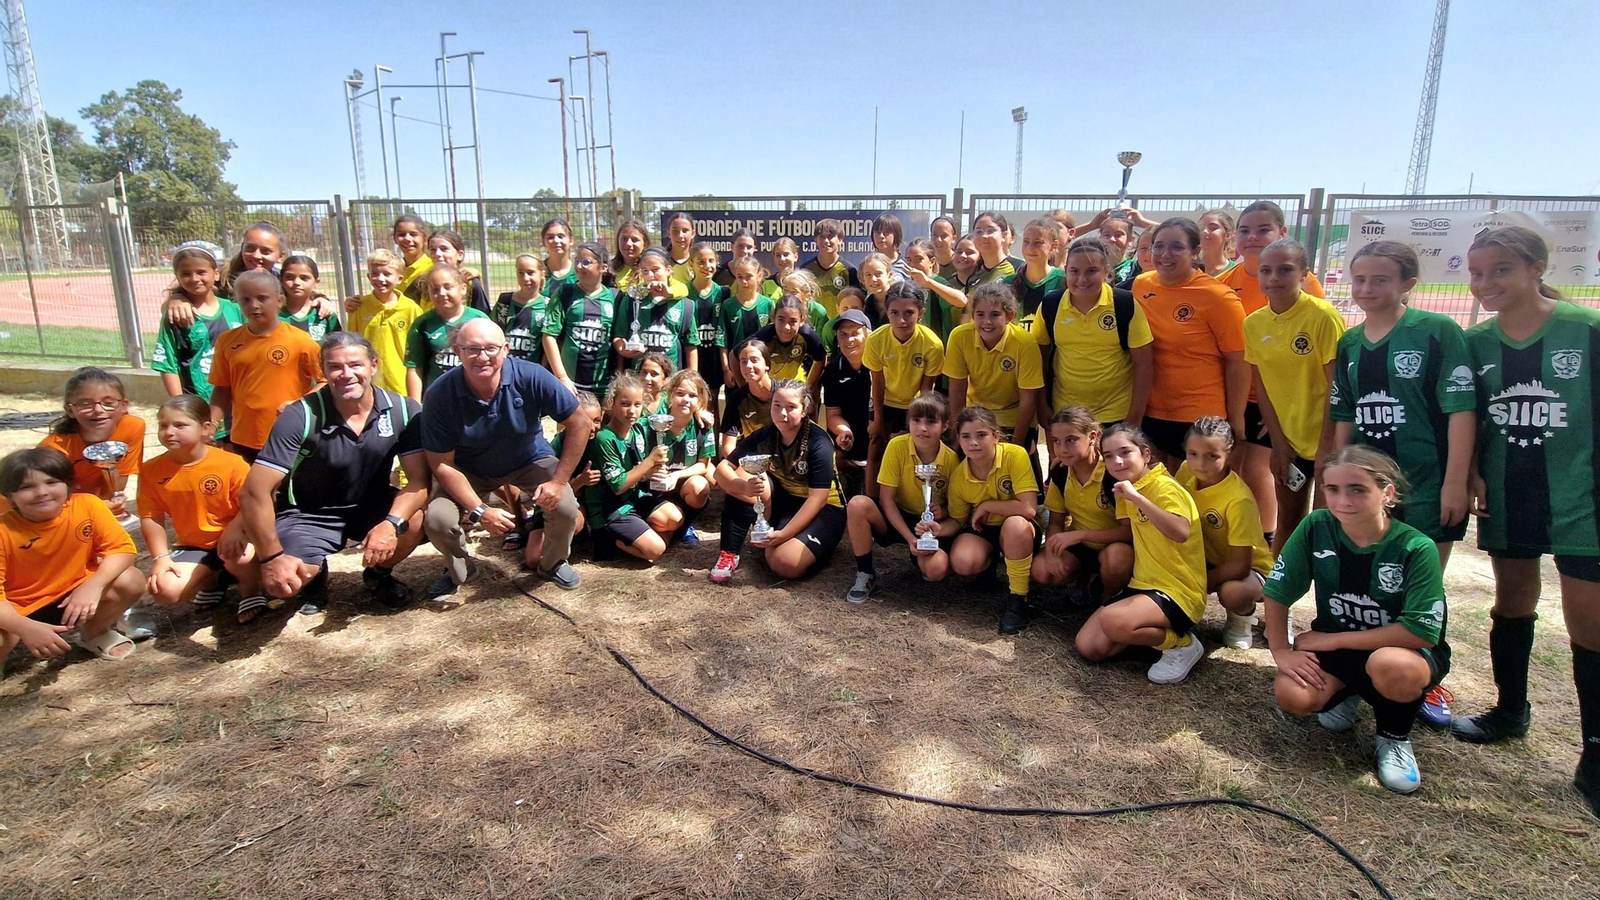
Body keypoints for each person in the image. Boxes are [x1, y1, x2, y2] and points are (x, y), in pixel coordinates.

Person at [1450, 227, 1600, 818]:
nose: (1486, 284)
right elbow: (1472, 418)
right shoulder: (1477, 341)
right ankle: (1511, 711)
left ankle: (1594, 755)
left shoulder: (1583, 329)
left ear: (1537, 267)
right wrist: (1475, 472)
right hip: (1511, 495)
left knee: (1588, 623)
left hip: (1581, 496)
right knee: (1513, 599)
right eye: (1478, 272)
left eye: (1501, 271)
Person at [1331, 240, 1475, 728]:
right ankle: (1358, 679)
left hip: (1429, 483)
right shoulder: (1350, 343)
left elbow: (1460, 411)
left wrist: (1457, 480)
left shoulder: (1437, 331)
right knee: (1368, 582)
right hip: (1367, 492)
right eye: (1360, 280)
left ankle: (1425, 682)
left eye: (1381, 279)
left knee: (1421, 591)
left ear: (1408, 283)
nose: (1367, 289)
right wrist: (1334, 481)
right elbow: (1345, 417)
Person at [1267, 446, 1449, 795]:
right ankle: (1350, 690)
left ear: (1387, 494)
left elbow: (1421, 631)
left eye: (1358, 489)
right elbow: (1277, 590)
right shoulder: (1317, 526)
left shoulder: (1417, 547)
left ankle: (1394, 738)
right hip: (1342, 646)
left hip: (1401, 652)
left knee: (1390, 666)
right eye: (1332, 489)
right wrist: (1280, 650)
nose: (1342, 500)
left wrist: (1331, 640)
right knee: (1293, 695)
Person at [238, 333, 427, 615]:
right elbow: (254, 491)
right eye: (335, 366)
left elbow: (418, 481)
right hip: (309, 512)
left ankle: (378, 575)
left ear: (373, 365)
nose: (346, 374)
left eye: (355, 365)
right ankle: (315, 576)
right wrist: (271, 557)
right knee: (285, 584)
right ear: (323, 371)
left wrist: (389, 523)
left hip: (371, 505)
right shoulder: (300, 415)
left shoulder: (403, 409)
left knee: (415, 520)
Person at [423, 318, 589, 593]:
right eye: (473, 349)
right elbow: (442, 465)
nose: (483, 357)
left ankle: (553, 563)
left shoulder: (532, 376)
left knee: (565, 506)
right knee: (438, 518)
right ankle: (460, 568)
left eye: (491, 348)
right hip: (468, 470)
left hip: (529, 460)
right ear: (457, 350)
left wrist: (559, 481)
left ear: (506, 349)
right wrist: (480, 511)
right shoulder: (440, 394)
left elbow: (580, 422)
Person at [1220, 201, 1331, 539]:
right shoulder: (1231, 290)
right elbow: (1247, 365)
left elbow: (1328, 376)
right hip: (1257, 406)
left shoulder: (1315, 303)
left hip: (1305, 416)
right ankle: (1259, 556)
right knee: (1243, 476)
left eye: (1263, 229)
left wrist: (1326, 442)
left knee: (1264, 474)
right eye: (1245, 230)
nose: (1253, 237)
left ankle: (1272, 546)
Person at [1074, 424, 1208, 684]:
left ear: (1146, 454)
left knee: (1113, 621)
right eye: (1109, 455)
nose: (1117, 461)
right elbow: (1126, 533)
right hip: (1143, 584)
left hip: (1178, 590)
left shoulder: (1164, 487)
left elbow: (1180, 532)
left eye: (1125, 452)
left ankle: (1181, 644)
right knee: (1089, 647)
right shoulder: (1127, 487)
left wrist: (1137, 498)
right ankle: (1144, 633)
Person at [1243, 238, 1346, 552]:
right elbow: (1262, 387)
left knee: (1328, 524)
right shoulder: (1253, 323)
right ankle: (1278, 592)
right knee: (1289, 521)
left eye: (1285, 270)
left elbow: (1337, 387)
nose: (1274, 278)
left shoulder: (1323, 317)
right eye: (1266, 270)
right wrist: (1279, 443)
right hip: (1289, 441)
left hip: (1330, 441)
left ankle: (1329, 595)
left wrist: (1328, 447)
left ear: (1304, 275)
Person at [0, 447, 142, 661]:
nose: (41, 492)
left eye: (51, 482)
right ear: (9, 496)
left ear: (68, 485)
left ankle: (94, 634)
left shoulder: (88, 505)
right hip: (17, 608)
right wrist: (25, 628)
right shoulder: (3, 531)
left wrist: (93, 587)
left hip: (74, 593)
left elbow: (122, 550)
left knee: (131, 580)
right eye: (27, 487)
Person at [1133, 218, 1248, 467]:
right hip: (1150, 410)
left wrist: (1236, 417)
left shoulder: (1217, 296)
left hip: (1197, 417)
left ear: (1196, 251)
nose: (1165, 254)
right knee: (1157, 493)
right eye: (1158, 246)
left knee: (1194, 497)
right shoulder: (1141, 285)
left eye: (1177, 247)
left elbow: (1239, 361)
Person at [139, 397, 263, 623]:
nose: (169, 432)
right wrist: (160, 557)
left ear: (205, 428)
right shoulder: (150, 470)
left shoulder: (232, 464)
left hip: (237, 538)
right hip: (194, 544)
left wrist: (235, 529)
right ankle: (213, 580)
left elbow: (255, 503)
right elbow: (151, 517)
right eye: (163, 425)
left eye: (180, 425)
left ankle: (251, 590)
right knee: (165, 590)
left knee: (240, 558)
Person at [711, 379, 845, 584]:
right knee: (742, 476)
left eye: (791, 407)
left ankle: (812, 548)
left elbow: (817, 499)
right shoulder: (767, 433)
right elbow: (721, 471)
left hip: (825, 508)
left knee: (784, 564)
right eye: (777, 405)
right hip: (786, 502)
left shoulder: (819, 442)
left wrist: (783, 535)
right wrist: (744, 487)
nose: (782, 413)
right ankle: (729, 552)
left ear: (805, 410)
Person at [843, 392, 957, 602]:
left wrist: (944, 511)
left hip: (929, 526)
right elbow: (886, 499)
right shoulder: (897, 446)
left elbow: (956, 506)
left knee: (936, 570)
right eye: (916, 420)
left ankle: (924, 559)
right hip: (895, 515)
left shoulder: (951, 460)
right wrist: (910, 538)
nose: (922, 428)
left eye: (931, 422)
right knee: (858, 504)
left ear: (945, 426)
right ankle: (865, 573)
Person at [1031, 236, 1154, 428]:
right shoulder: (1051, 305)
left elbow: (1144, 364)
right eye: (1074, 271)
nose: (1082, 279)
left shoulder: (1124, 304)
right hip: (1066, 413)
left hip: (1116, 413)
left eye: (1091, 271)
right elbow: (1039, 361)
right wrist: (1042, 406)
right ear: (1066, 272)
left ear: (1106, 272)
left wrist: (1134, 418)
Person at [939, 407, 1039, 634]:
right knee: (963, 561)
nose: (973, 442)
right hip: (984, 529)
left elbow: (1028, 509)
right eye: (966, 437)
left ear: (996, 436)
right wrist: (935, 529)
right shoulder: (959, 476)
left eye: (981, 435)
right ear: (959, 439)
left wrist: (986, 505)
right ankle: (988, 568)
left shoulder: (1015, 455)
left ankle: (1019, 599)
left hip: (1020, 526)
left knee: (1015, 525)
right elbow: (958, 520)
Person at [1176, 417, 1275, 649]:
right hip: (1206, 559)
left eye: (1213, 456)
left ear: (1229, 454)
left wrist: (1199, 584)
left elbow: (1240, 565)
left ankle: (1242, 617)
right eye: (1193, 454)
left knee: (1233, 592)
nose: (1201, 464)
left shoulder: (1238, 499)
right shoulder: (1184, 473)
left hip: (1251, 569)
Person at [207, 271, 323, 463]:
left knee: (286, 491)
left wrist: (299, 405)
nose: (254, 305)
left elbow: (326, 381)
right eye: (245, 299)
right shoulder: (227, 341)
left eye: (262, 298)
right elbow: (222, 388)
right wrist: (211, 425)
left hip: (290, 434)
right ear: (237, 302)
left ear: (279, 300)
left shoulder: (300, 340)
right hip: (245, 436)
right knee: (251, 491)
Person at [1032, 407, 1133, 603]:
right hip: (1080, 543)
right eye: (1056, 441)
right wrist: (1052, 553)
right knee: (1042, 570)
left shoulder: (1112, 472)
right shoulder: (1061, 472)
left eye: (1071, 439)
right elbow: (1055, 522)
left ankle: (1109, 600)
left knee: (1116, 560)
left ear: (1092, 437)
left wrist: (1081, 534)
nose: (1063, 449)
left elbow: (1129, 531)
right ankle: (1083, 581)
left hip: (1115, 545)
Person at [150, 245, 243, 441]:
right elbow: (168, 364)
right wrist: (179, 406)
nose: (194, 278)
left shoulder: (235, 310)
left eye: (201, 272)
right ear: (177, 276)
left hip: (237, 406)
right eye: (186, 273)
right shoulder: (174, 316)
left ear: (215, 274)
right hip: (197, 403)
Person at [944, 281, 1044, 450]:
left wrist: (1017, 445)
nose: (987, 322)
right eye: (980, 314)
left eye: (995, 315)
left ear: (1010, 316)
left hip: (1013, 416)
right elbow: (957, 390)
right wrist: (958, 434)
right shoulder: (959, 337)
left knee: (1018, 468)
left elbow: (1028, 399)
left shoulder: (1024, 343)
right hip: (976, 413)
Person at [864, 282, 944, 486]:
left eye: (909, 313)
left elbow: (927, 389)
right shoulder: (876, 340)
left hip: (914, 403)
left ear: (920, 313)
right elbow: (877, 380)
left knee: (912, 451)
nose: (901, 320)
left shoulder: (932, 344)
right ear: (887, 311)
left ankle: (910, 498)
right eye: (894, 312)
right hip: (885, 400)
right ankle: (871, 499)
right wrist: (878, 420)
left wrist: (916, 422)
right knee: (876, 447)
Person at [583, 372, 669, 563]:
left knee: (672, 518)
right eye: (625, 404)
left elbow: (675, 417)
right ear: (611, 404)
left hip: (634, 499)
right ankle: (610, 539)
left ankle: (637, 533)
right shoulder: (604, 439)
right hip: (611, 509)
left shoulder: (637, 429)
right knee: (655, 550)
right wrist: (650, 461)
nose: (632, 410)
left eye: (637, 405)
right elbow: (619, 484)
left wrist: (699, 410)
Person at [41, 367, 145, 518]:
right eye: (85, 404)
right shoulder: (54, 449)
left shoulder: (132, 427)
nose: (98, 410)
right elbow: (46, 500)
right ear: (70, 410)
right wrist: (94, 509)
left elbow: (119, 477)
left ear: (123, 405)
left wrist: (110, 504)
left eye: (108, 402)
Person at [641, 369, 716, 548]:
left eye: (692, 395)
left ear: (700, 401)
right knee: (669, 521)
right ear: (670, 395)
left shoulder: (703, 426)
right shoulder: (653, 423)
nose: (685, 400)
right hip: (653, 488)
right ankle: (664, 524)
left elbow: (703, 466)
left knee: (700, 486)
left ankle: (685, 526)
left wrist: (676, 475)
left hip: (681, 486)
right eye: (680, 394)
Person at [543, 241, 623, 395]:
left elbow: (617, 338)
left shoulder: (615, 297)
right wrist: (561, 377)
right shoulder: (565, 293)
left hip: (603, 385)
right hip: (571, 384)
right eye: (577, 261)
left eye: (586, 262)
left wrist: (617, 378)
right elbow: (549, 336)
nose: (579, 266)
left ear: (603, 268)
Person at [406, 264, 490, 400]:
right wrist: (415, 408)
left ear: (463, 289)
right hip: (438, 399)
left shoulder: (479, 319)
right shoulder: (422, 324)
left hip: (474, 397)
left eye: (448, 287)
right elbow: (415, 368)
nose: (441, 293)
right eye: (435, 289)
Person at [350, 249, 423, 395]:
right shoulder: (359, 307)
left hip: (400, 382)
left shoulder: (411, 308)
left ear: (399, 279)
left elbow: (419, 350)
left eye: (387, 274)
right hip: (369, 382)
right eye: (375, 274)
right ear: (368, 276)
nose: (380, 279)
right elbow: (353, 343)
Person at [823, 310, 873, 498]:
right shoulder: (833, 371)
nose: (849, 340)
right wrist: (844, 431)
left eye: (855, 334)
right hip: (849, 441)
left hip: (877, 433)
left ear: (868, 334)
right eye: (843, 335)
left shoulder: (881, 365)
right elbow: (833, 415)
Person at [914, 233, 975, 347]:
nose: (963, 256)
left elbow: (961, 301)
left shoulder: (938, 282)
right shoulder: (947, 281)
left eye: (970, 252)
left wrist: (928, 282)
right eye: (959, 251)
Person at [752, 295, 826, 388]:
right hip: (768, 387)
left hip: (793, 386)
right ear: (774, 317)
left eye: (793, 321)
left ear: (802, 320)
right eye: (781, 320)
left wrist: (809, 386)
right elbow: (735, 354)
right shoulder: (765, 336)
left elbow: (821, 358)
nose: (786, 327)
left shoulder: (807, 335)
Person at [1005, 217, 1065, 328]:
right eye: (1026, 241)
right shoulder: (1008, 282)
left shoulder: (1064, 281)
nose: (1030, 248)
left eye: (1038, 243)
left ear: (1054, 246)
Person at [722, 256, 774, 385]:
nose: (744, 281)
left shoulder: (767, 304)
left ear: (759, 276)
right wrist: (727, 369)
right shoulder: (728, 305)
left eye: (748, 276)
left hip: (759, 368)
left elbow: (772, 340)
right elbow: (722, 341)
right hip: (736, 367)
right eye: (740, 277)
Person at [492, 254, 552, 365]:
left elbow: (548, 345)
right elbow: (493, 334)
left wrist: (542, 371)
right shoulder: (504, 302)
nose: (525, 278)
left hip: (532, 371)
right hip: (506, 367)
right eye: (521, 273)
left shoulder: (548, 306)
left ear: (542, 274)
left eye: (530, 273)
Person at [720, 339, 775, 457]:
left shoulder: (784, 392)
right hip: (751, 460)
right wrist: (744, 465)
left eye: (754, 360)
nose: (748, 366)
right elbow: (727, 446)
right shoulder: (737, 399)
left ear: (767, 364)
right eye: (743, 362)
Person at [686, 243, 728, 400]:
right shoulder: (684, 292)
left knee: (712, 404)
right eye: (701, 262)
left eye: (711, 261)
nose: (707, 266)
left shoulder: (723, 293)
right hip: (690, 356)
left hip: (714, 359)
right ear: (691, 264)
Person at [425, 230, 493, 314]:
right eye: (433, 249)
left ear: (460, 255)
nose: (437, 254)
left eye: (444, 249)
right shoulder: (423, 281)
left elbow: (483, 316)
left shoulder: (471, 283)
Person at [801, 218, 858, 318]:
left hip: (840, 327)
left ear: (840, 239)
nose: (826, 241)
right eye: (821, 237)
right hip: (813, 327)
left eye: (830, 237)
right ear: (816, 240)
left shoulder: (850, 271)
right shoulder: (806, 270)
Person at [279, 255, 342, 342]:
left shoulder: (324, 314)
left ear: (316, 281)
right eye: (289, 277)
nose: (296, 282)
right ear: (281, 279)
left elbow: (337, 347)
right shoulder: (274, 315)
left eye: (304, 278)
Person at [968, 211, 1018, 297]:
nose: (984, 236)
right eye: (979, 231)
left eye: (990, 231)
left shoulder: (1019, 269)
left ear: (1004, 236)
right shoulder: (974, 275)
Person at [392, 214, 434, 303]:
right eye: (401, 234)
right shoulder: (393, 269)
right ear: (395, 239)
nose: (407, 238)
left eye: (413, 234)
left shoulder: (433, 268)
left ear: (424, 238)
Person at [871, 212, 912, 282]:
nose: (881, 236)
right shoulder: (868, 265)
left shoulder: (906, 268)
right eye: (877, 232)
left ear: (896, 234)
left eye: (886, 232)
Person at [541, 218, 577, 295]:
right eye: (550, 237)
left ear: (571, 240)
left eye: (561, 236)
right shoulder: (537, 272)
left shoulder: (580, 272)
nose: (556, 241)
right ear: (543, 242)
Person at [1197, 209, 1237, 277]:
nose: (1205, 231)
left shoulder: (1236, 272)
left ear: (1228, 235)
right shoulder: (1188, 270)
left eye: (1213, 228)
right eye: (1201, 228)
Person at [663, 211, 697, 286]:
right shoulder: (660, 261)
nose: (680, 235)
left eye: (685, 231)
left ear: (693, 233)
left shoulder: (698, 262)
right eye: (675, 231)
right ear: (669, 233)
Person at [929, 215, 960, 280]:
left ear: (954, 238)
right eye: (935, 235)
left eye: (944, 236)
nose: (938, 240)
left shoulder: (961, 263)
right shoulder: (927, 263)